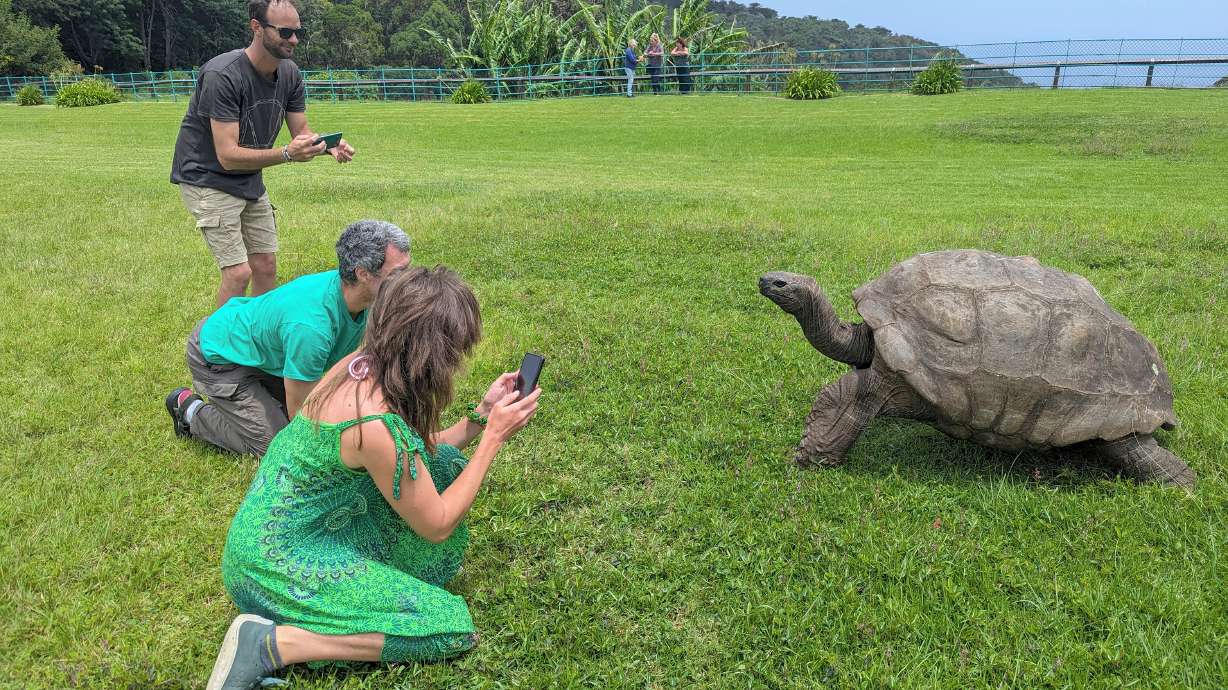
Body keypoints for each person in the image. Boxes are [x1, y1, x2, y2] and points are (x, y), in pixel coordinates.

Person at [204, 266, 542, 689]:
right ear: (432, 353)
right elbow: (436, 523)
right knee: (444, 625)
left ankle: (330, 608)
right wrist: (493, 438)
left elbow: (414, 457)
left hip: (280, 535)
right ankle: (273, 643)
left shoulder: (360, 366)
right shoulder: (376, 425)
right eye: (455, 352)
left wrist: (480, 416)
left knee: (443, 469)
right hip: (275, 565)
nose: (457, 363)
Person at [165, 220, 410, 457]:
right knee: (277, 444)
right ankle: (190, 410)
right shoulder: (311, 327)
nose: (408, 281)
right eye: (399, 272)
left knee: (327, 407)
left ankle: (252, 402)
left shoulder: (365, 299)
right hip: (218, 357)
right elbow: (301, 414)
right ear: (363, 273)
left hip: (261, 356)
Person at [171, 0, 358, 308]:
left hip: (247, 179)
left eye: (297, 32)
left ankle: (257, 340)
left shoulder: (289, 73)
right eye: (285, 32)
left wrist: (327, 145)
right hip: (207, 177)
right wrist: (286, 154)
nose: (294, 40)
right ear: (256, 27)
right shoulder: (223, 75)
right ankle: (218, 350)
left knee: (265, 266)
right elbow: (227, 155)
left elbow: (302, 132)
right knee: (237, 272)